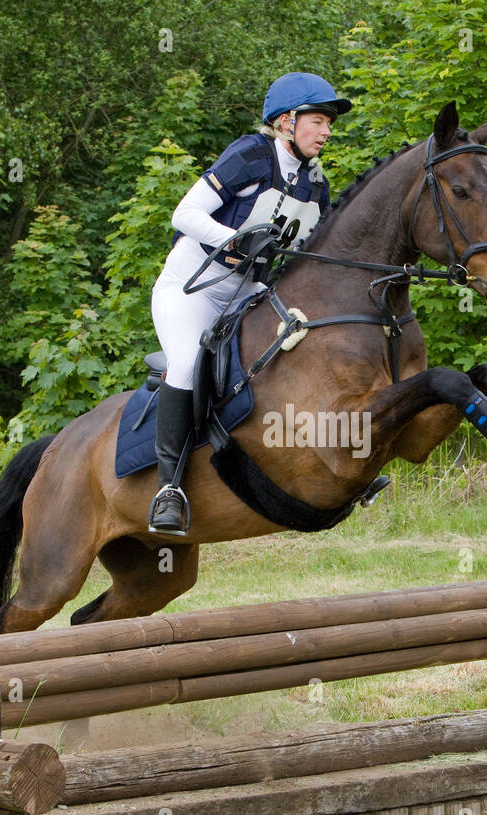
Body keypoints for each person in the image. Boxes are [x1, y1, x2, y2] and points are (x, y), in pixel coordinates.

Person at [147, 72, 352, 534]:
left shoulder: (315, 183)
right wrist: (236, 241)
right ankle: (168, 491)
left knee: (313, 344)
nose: (326, 132)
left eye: (328, 124)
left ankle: (344, 459)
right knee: (184, 364)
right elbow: (185, 214)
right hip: (194, 287)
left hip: (251, 293)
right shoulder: (250, 156)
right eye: (318, 121)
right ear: (285, 123)